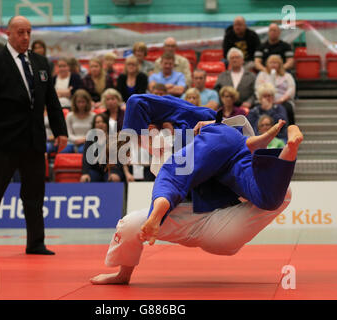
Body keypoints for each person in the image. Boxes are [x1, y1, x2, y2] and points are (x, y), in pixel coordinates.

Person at [90, 93, 303, 285]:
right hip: (181, 219)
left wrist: (132, 131)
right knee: (129, 224)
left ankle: (286, 152)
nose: (153, 143)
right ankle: (123, 275)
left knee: (282, 192)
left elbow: (138, 101)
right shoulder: (164, 155)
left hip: (221, 224)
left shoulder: (196, 126)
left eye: (153, 135)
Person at [0, 16, 68, 258]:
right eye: (20, 32)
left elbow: (51, 101)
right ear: (8, 34)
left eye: (28, 32)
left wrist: (60, 130)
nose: (25, 37)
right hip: (3, 140)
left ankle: (36, 242)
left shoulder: (40, 62)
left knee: (34, 195)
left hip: (33, 140)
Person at [80, 113, 125, 183]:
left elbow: (118, 159)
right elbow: (86, 158)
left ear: (107, 124)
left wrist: (114, 172)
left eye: (103, 122)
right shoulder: (90, 139)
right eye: (97, 122)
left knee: (113, 179)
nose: (100, 124)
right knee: (87, 179)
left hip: (111, 169)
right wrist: (85, 173)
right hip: (96, 170)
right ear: (94, 125)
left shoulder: (113, 138)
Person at [255, 54, 296, 125]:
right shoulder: (262, 75)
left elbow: (291, 89)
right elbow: (257, 88)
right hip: (264, 99)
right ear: (267, 64)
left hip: (282, 100)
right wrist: (265, 99)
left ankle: (289, 129)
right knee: (256, 108)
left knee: (288, 108)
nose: (273, 65)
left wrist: (281, 99)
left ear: (280, 64)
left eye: (275, 63)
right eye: (271, 63)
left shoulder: (287, 76)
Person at [61, 89, 95, 154]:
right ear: (74, 103)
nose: (81, 104)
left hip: (88, 142)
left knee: (82, 150)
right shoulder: (69, 116)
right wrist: (76, 140)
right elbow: (68, 133)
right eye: (78, 102)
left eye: (83, 102)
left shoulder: (93, 116)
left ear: (87, 102)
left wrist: (84, 140)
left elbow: (94, 133)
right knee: (62, 151)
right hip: (72, 142)